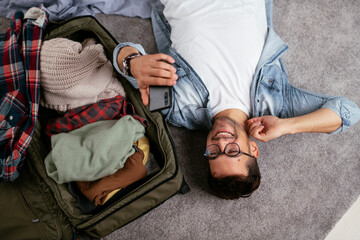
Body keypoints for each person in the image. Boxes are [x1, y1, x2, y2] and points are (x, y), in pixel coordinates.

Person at [112, 0, 360, 199]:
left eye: (214, 153)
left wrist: (132, 62)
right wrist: (287, 127)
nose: (220, 142)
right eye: (233, 151)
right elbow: (348, 112)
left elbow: (127, 59)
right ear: (254, 149)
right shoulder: (278, 104)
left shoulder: (175, 110)